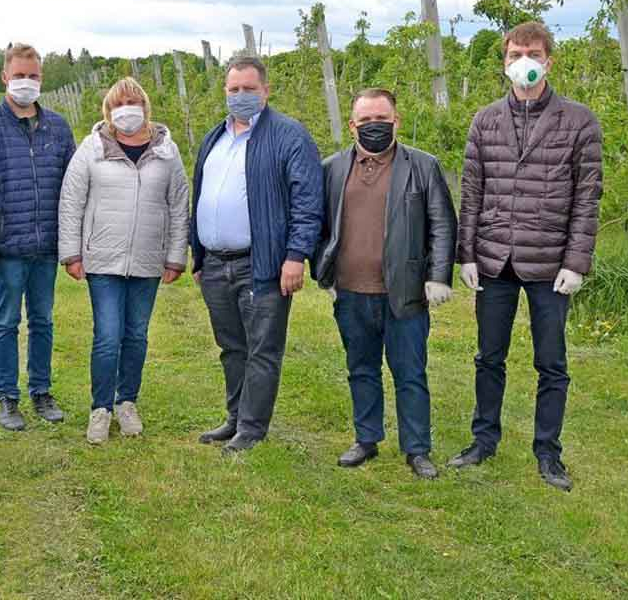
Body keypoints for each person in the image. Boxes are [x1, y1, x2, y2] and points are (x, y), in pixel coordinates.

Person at [450, 21, 602, 492]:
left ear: (549, 60)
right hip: (496, 260)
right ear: (504, 62)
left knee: (551, 363)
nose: (524, 61)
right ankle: (483, 440)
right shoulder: (486, 120)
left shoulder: (579, 121)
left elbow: (587, 197)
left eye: (533, 53)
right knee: (488, 357)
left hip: (549, 263)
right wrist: (466, 253)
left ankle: (548, 453)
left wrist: (576, 262)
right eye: (515, 53)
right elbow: (472, 189)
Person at [312, 88, 457, 479]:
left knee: (410, 372)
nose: (374, 126)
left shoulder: (423, 166)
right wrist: (322, 272)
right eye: (366, 120)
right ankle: (366, 438)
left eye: (382, 119)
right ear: (352, 125)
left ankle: (417, 448)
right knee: (361, 368)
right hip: (350, 291)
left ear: (397, 121)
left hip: (406, 292)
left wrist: (438, 276)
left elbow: (443, 224)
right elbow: (317, 226)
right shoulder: (332, 168)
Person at [191, 55, 324, 455]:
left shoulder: (289, 136)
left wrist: (295, 255)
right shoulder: (215, 138)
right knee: (231, 347)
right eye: (234, 90)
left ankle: (251, 427)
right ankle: (234, 416)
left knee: (262, 348)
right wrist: (199, 256)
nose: (241, 96)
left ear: (266, 90)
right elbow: (201, 195)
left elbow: (307, 201)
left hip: (261, 263)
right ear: (225, 92)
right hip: (216, 262)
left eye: (249, 89)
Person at [58, 78, 189, 444]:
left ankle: (126, 401)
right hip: (103, 259)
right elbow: (72, 201)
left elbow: (179, 204)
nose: (126, 108)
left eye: (133, 101)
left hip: (148, 259)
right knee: (107, 336)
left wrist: (176, 255)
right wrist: (71, 253)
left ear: (145, 107)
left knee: (136, 335)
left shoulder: (167, 151)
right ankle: (100, 408)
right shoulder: (92, 148)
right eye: (119, 103)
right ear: (108, 110)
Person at [0, 43, 76, 431]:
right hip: (7, 245)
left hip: (46, 245)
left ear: (41, 78)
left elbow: (72, 189)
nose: (26, 82)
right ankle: (7, 396)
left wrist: (72, 243)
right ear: (4, 77)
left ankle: (41, 391)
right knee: (6, 322)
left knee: (44, 320)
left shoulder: (58, 127)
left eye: (32, 76)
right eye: (19, 76)